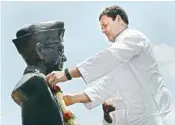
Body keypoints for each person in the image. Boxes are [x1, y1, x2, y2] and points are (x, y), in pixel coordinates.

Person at [46, 5, 175, 125]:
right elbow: (106, 86)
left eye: (105, 25)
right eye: (101, 28)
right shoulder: (120, 58)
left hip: (157, 118)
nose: (103, 30)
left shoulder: (134, 38)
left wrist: (67, 74)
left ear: (118, 19)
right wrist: (71, 99)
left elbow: (105, 59)